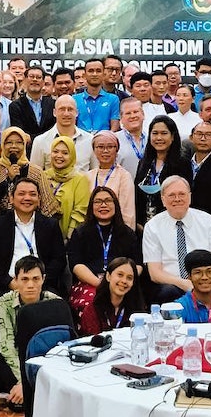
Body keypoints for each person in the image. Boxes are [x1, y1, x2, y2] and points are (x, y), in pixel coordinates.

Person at [0, 256, 60, 411]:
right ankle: (22, 392)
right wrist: (22, 381)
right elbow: (6, 346)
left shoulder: (55, 303)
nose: (30, 285)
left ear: (43, 279)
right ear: (15, 280)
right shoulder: (4, 302)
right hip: (16, 357)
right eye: (24, 279)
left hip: (41, 360)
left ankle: (21, 394)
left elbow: (55, 350)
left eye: (36, 279)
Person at [0, 179, 67, 309]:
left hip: (42, 285)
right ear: (11, 198)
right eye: (21, 194)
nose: (27, 198)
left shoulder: (50, 225)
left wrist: (38, 282)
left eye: (32, 194)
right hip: (7, 285)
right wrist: (11, 283)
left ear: (39, 199)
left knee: (57, 307)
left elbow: (59, 260)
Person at [142, 175, 211, 302]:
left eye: (182, 194)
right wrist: (184, 283)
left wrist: (203, 283)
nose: (177, 199)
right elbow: (155, 273)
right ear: (163, 200)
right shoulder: (152, 226)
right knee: (167, 292)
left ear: (190, 197)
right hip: (172, 285)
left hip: (207, 282)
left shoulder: (208, 221)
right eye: (172, 195)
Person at [66, 187, 142, 318]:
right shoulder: (80, 233)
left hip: (122, 284)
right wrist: (102, 284)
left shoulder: (127, 233)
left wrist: (122, 280)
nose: (103, 205)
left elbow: (138, 265)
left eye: (108, 201)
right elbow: (76, 265)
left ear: (115, 205)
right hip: (90, 283)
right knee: (92, 306)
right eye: (98, 202)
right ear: (91, 206)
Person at [0, 126, 45, 229]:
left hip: (32, 226)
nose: (13, 146)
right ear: (2, 145)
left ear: (25, 145)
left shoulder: (36, 172)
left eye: (19, 142)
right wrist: (7, 180)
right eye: (9, 143)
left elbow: (47, 205)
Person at [134, 115, 193, 225]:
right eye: (155, 133)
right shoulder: (144, 162)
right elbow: (137, 195)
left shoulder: (182, 163)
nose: (159, 138)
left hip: (169, 223)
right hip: (143, 225)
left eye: (164, 133)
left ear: (173, 136)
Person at [78, 256, 144, 335]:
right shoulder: (92, 310)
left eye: (129, 278)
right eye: (120, 275)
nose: (124, 281)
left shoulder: (137, 310)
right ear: (108, 276)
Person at [28, 94, 95, 171]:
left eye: (70, 109)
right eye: (62, 109)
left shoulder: (90, 140)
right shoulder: (40, 141)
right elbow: (35, 176)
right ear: (54, 112)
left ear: (77, 112)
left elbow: (95, 173)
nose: (66, 113)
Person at [42, 135, 90, 238]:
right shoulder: (43, 176)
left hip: (68, 238)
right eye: (55, 152)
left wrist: (69, 238)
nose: (59, 156)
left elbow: (80, 212)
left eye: (65, 153)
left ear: (72, 155)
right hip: (42, 236)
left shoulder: (80, 179)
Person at [85, 130, 136, 228]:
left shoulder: (124, 176)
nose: (105, 151)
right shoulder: (88, 176)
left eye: (110, 147)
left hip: (117, 232)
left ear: (116, 150)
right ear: (94, 150)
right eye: (100, 147)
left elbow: (128, 214)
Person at [8, 65, 55, 145]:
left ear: (43, 82)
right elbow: (21, 134)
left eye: (38, 77)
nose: (35, 80)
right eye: (31, 77)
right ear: (25, 80)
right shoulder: (15, 106)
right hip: (26, 152)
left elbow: (54, 129)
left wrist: (31, 138)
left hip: (50, 148)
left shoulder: (53, 104)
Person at [77, 56, 121, 132]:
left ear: (104, 73)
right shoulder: (74, 99)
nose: (94, 74)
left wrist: (105, 140)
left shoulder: (113, 99)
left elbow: (115, 125)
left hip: (105, 141)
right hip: (80, 141)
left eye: (98, 71)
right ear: (84, 75)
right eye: (91, 71)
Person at [115, 96, 148, 174]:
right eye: (128, 113)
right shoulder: (114, 140)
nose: (133, 116)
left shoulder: (152, 139)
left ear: (143, 114)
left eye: (136, 112)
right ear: (121, 118)